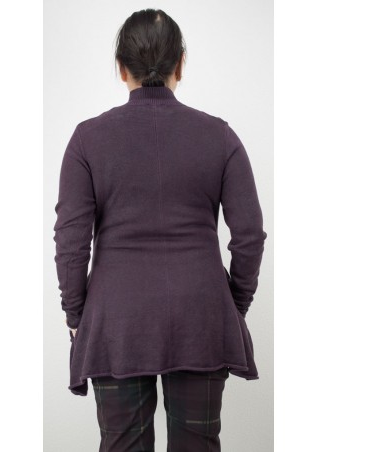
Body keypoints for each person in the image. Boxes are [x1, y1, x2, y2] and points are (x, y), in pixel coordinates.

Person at [53, 8, 267, 451]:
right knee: (197, 444)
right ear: (180, 64)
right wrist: (233, 306)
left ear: (121, 68)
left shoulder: (87, 140)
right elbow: (249, 237)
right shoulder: (220, 137)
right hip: (200, 314)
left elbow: (71, 244)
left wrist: (76, 317)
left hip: (117, 320)